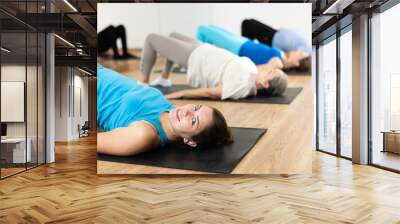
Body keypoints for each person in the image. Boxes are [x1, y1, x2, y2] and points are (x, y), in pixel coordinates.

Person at [97, 66, 232, 156]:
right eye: (197, 108)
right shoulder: (172, 112)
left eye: (193, 120)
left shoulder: (144, 135)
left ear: (190, 141)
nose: (187, 112)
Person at [139, 32, 288, 100]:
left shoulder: (241, 87)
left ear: (265, 83)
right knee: (173, 35)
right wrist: (274, 67)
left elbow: (209, 93)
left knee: (151, 38)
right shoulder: (255, 74)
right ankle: (164, 78)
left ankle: (142, 85)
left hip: (197, 59)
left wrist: (178, 94)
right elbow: (275, 60)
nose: (269, 69)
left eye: (272, 72)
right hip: (205, 50)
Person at [197, 25, 309, 71]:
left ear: (296, 63)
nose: (299, 50)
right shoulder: (283, 55)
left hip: (239, 47)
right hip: (245, 42)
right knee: (211, 28)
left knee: (203, 30)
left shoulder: (278, 64)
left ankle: (198, 60)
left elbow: (255, 69)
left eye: (301, 54)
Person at [241, 19, 311, 72]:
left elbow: (289, 60)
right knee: (248, 24)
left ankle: (244, 52)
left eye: (301, 53)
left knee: (248, 24)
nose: (298, 51)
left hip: (272, 39)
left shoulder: (305, 52)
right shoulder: (306, 50)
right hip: (275, 35)